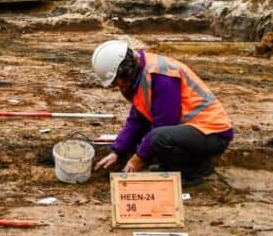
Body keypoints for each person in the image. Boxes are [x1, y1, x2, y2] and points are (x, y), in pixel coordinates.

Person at [92, 39, 233, 186]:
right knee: (155, 138)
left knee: (159, 138)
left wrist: (138, 159)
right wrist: (117, 151)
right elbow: (137, 120)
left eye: (116, 81)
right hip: (193, 132)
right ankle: (180, 165)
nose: (117, 86)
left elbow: (165, 123)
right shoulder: (140, 76)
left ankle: (193, 172)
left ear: (125, 70)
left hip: (212, 134)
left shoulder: (161, 77)